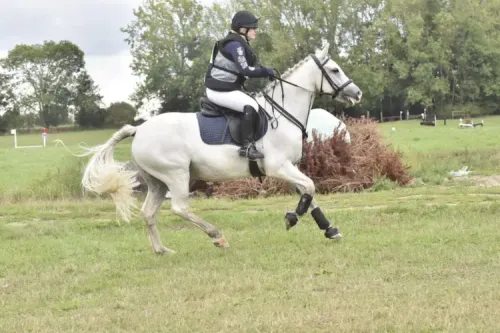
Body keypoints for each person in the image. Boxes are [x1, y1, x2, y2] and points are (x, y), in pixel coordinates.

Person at [204, 10, 275, 160]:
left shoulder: (238, 43)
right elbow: (245, 70)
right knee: (251, 106)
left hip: (226, 87)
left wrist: (264, 72)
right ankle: (247, 147)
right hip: (218, 90)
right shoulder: (235, 45)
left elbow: (244, 72)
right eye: (253, 28)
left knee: (255, 102)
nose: (255, 31)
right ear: (243, 29)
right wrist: (266, 71)